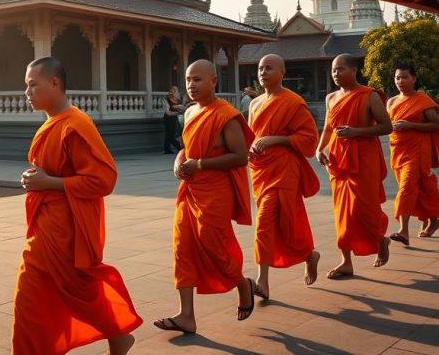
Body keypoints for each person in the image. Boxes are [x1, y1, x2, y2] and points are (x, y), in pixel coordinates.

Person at [13, 57, 141, 354]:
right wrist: (36, 179)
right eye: (26, 86)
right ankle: (116, 335)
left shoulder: (75, 125)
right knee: (32, 297)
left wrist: (50, 183)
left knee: (76, 291)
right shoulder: (53, 124)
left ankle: (118, 332)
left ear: (54, 84)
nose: (27, 92)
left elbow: (104, 180)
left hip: (67, 230)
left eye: (33, 85)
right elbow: (51, 171)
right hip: (47, 226)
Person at [154, 59, 255, 334]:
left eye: (198, 79)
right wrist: (179, 161)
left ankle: (242, 284)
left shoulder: (226, 114)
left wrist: (199, 165)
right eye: (188, 80)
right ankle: (186, 315)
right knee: (181, 248)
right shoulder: (189, 113)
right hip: (190, 191)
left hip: (215, 192)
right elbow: (186, 148)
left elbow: (240, 156)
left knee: (215, 248)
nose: (191, 85)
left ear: (213, 81)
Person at [248, 54, 321, 300]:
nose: (263, 72)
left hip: (285, 169)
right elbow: (252, 135)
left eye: (269, 68)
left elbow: (310, 139)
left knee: (278, 223)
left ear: (282, 72)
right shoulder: (255, 103)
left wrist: (276, 139)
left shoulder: (293, 102)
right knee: (272, 225)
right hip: (262, 170)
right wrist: (251, 149)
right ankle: (270, 277)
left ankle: (300, 259)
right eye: (260, 68)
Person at [316, 54, 393, 279]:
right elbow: (329, 129)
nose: (336, 74)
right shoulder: (331, 98)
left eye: (340, 70)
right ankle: (346, 261)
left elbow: (387, 126)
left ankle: (380, 239)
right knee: (342, 212)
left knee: (364, 208)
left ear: (354, 70)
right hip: (339, 160)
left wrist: (356, 132)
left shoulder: (369, 96)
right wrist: (320, 149)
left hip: (364, 158)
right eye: (333, 70)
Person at [387, 63, 439, 246]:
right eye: (397, 78)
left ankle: (403, 230)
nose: (400, 81)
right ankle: (433, 219)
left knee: (407, 187)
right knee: (416, 189)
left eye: (404, 77)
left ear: (414, 79)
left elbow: (436, 125)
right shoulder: (391, 102)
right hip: (397, 150)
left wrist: (411, 125)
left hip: (417, 150)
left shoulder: (423, 100)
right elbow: (387, 125)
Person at [164, 86, 186, 154]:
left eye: (176, 90)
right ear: (171, 92)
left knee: (170, 134)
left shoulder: (178, 99)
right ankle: (180, 148)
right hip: (168, 118)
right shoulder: (166, 99)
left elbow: (183, 108)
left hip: (176, 117)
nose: (176, 92)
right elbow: (168, 112)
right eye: (174, 90)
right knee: (170, 135)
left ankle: (167, 149)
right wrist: (178, 111)